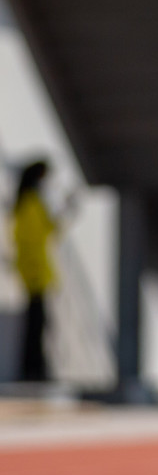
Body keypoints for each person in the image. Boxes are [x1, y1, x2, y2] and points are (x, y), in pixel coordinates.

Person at [10, 160, 76, 383]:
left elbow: (49, 229)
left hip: (39, 272)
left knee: (39, 324)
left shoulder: (33, 203)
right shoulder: (28, 204)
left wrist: (66, 210)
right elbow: (26, 242)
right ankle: (32, 370)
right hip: (34, 274)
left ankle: (36, 368)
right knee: (35, 325)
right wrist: (33, 272)